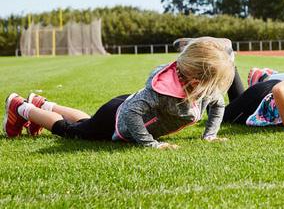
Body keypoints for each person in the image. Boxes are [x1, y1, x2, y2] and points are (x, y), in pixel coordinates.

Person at [4, 37, 236, 149]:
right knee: (74, 132)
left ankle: (43, 105)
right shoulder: (162, 93)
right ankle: (21, 108)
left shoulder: (202, 88)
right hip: (117, 117)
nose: (216, 90)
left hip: (122, 106)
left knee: (87, 121)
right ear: (196, 80)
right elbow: (131, 114)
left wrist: (210, 135)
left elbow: (218, 103)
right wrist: (150, 143)